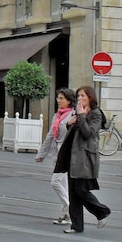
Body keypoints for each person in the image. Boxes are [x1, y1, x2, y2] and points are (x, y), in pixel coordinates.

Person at [58, 85, 110, 233]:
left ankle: (101, 211)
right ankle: (76, 225)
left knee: (81, 190)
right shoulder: (78, 112)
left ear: (90, 97)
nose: (80, 99)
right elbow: (75, 132)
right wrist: (69, 123)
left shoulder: (96, 114)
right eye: (78, 96)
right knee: (73, 192)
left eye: (82, 96)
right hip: (72, 156)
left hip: (85, 158)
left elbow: (88, 133)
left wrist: (80, 116)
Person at [38, 88, 75, 225]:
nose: (58, 101)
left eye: (61, 98)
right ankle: (66, 214)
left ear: (69, 101)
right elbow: (49, 136)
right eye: (58, 98)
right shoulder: (57, 115)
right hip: (56, 154)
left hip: (66, 155)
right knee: (64, 185)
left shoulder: (73, 115)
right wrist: (41, 153)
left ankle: (70, 209)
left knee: (56, 182)